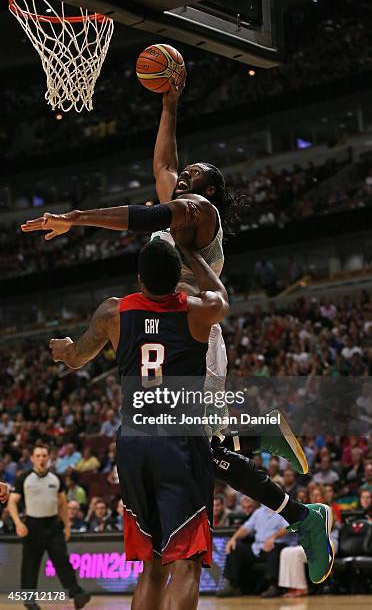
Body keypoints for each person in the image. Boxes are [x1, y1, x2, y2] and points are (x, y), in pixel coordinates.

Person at [22, 82, 334, 587]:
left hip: (194, 337)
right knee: (200, 451)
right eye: (184, 175)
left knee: (204, 452)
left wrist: (75, 218)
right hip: (167, 335)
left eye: (192, 176)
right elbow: (163, 166)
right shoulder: (182, 207)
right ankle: (265, 449)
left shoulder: (200, 214)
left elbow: (145, 213)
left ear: (207, 193)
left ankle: (292, 497)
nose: (179, 177)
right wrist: (169, 102)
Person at [48, 239, 228, 610]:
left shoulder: (113, 312)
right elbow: (219, 295)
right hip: (179, 443)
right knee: (187, 563)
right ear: (178, 279)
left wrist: (64, 348)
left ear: (139, 278)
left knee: (153, 564)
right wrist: (191, 252)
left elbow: (76, 357)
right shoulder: (195, 311)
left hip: (133, 443)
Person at [7, 444, 90, 610]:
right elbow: (12, 502)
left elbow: (63, 504)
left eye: (44, 455)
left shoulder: (56, 478)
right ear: (32, 458)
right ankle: (29, 600)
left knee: (62, 561)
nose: (41, 459)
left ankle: (77, 594)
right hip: (32, 525)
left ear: (49, 457)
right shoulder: (23, 477)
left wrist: (67, 526)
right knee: (30, 564)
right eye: (37, 456)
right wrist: (18, 523)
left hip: (53, 526)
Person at [218, 501, 289, 598]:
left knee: (275, 547)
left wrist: (273, 537)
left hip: (277, 545)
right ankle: (232, 585)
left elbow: (288, 527)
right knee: (236, 547)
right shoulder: (259, 512)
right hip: (258, 547)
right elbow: (246, 528)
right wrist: (233, 539)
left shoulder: (285, 511)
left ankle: (274, 586)